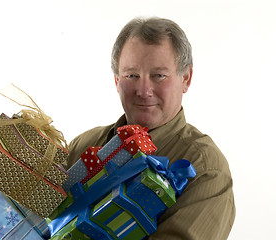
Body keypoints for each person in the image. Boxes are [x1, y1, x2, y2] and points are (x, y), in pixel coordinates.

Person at [66, 17, 235, 239]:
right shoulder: (83, 145)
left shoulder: (204, 167)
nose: (144, 90)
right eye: (132, 75)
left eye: (159, 76)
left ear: (186, 78)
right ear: (117, 80)